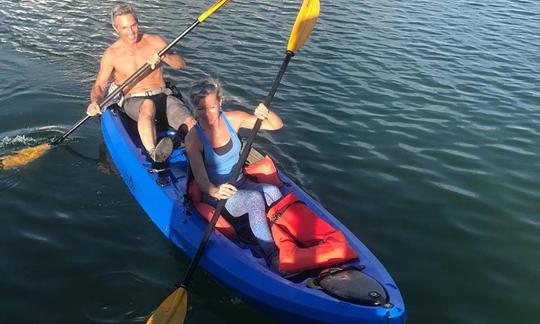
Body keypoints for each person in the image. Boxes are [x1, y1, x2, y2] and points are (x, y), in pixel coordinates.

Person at [185, 79, 283, 265]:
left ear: (220, 102)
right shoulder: (193, 138)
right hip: (218, 194)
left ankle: (282, 237)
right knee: (254, 199)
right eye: (200, 109)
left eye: (212, 107)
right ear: (194, 108)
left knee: (273, 192)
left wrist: (267, 113)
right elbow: (202, 181)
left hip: (241, 182)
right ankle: (272, 255)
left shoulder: (234, 119)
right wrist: (216, 191)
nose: (207, 114)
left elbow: (276, 125)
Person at [86, 3, 196, 162]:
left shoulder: (155, 41)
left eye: (133, 25)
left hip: (162, 96)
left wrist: (164, 56)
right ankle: (155, 154)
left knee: (190, 122)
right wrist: (95, 102)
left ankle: (200, 152)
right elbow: (99, 85)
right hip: (134, 100)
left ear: (138, 22)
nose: (131, 32)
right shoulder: (111, 54)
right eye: (124, 28)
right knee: (147, 105)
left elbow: (181, 64)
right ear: (116, 28)